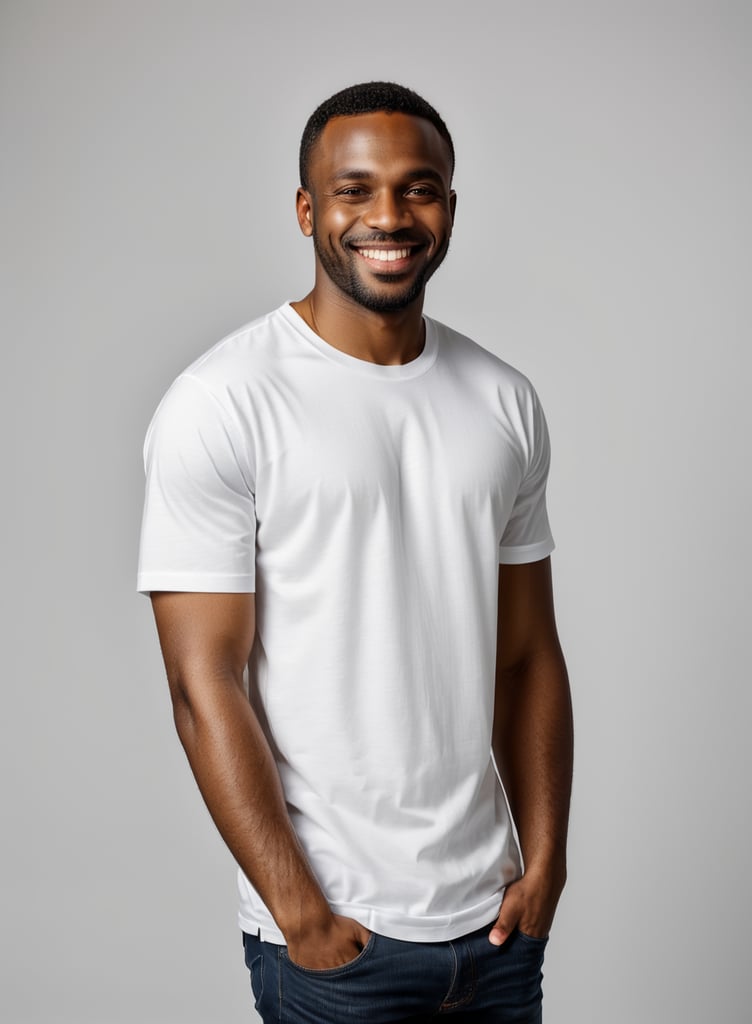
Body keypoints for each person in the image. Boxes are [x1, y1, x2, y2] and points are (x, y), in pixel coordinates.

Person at [138, 81, 573, 1023]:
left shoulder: (503, 401)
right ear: (307, 209)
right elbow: (200, 682)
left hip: (494, 929)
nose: (388, 216)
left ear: (449, 209)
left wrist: (545, 866)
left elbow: (527, 654)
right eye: (353, 190)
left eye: (418, 189)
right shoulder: (222, 403)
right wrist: (302, 916)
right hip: (342, 940)